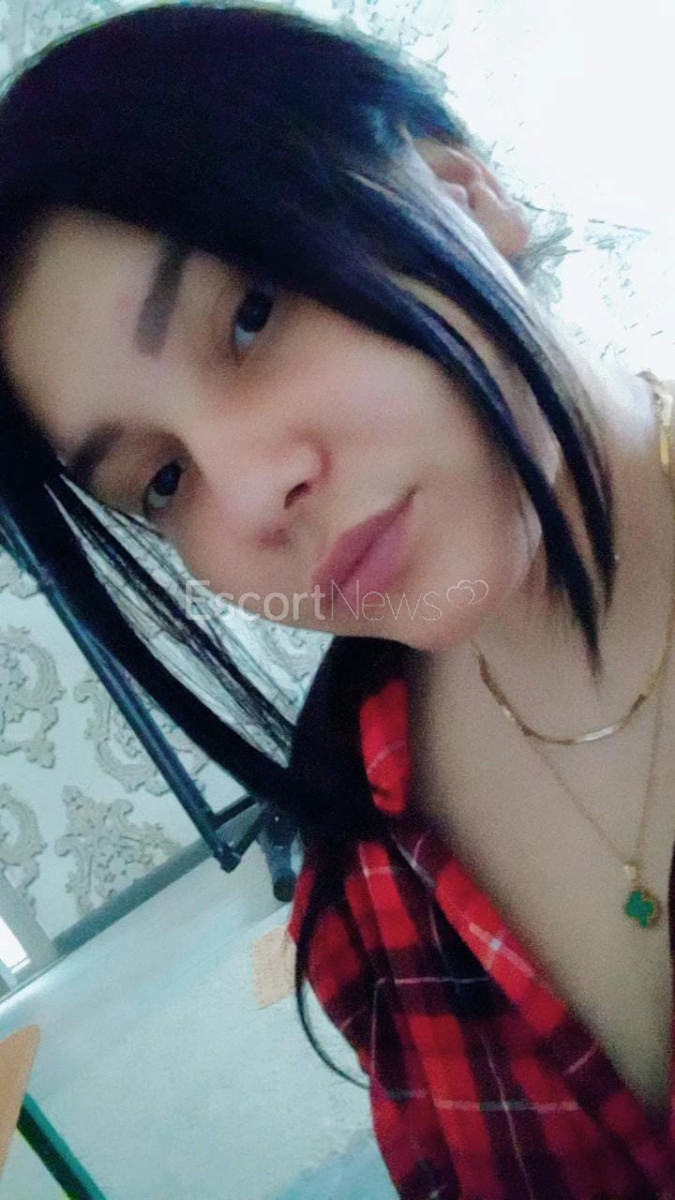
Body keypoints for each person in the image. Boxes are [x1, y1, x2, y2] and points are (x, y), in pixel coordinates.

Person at [0, 4, 672, 1195]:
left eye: (253, 313)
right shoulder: (364, 884)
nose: (252, 492)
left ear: (465, 196)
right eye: (163, 481)